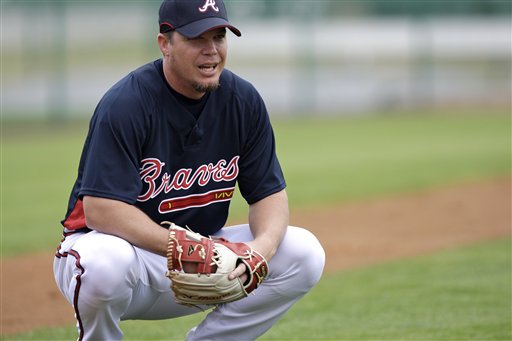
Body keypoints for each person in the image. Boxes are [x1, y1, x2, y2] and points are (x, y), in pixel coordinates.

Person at [53, 0, 325, 340]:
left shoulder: (243, 100)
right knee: (104, 264)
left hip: (206, 260)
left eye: (219, 37)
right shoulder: (127, 104)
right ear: (165, 44)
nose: (211, 51)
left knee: (303, 252)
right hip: (126, 258)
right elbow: (101, 211)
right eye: (197, 39)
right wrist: (182, 246)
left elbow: (269, 194)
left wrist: (260, 251)